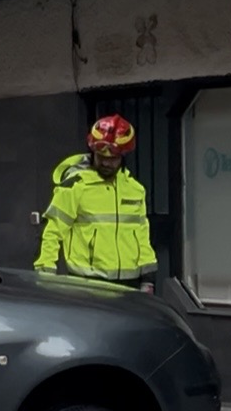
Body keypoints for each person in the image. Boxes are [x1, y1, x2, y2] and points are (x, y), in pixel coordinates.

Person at [34, 114, 157, 291]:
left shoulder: (135, 190)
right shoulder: (75, 186)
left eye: (112, 158)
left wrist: (148, 278)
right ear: (93, 152)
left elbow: (142, 237)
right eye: (101, 156)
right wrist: (45, 275)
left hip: (130, 286)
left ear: (123, 156)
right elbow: (52, 231)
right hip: (88, 285)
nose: (106, 163)